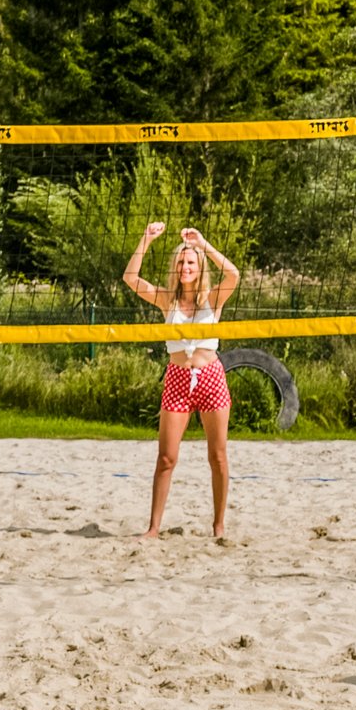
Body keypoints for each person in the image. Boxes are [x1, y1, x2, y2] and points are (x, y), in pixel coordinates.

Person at [120, 219, 241, 543]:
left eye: (191, 262)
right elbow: (130, 278)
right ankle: (153, 528)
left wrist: (204, 246)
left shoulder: (213, 299)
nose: (185, 266)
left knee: (217, 456)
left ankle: (218, 526)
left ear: (199, 267)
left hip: (211, 376)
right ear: (175, 268)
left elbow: (234, 274)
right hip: (177, 377)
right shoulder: (166, 300)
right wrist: (145, 239)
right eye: (181, 262)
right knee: (166, 457)